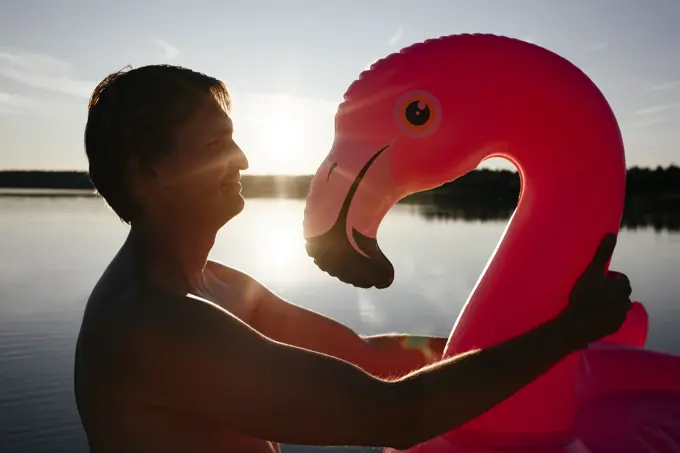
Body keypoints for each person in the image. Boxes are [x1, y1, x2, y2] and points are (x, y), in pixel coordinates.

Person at [74, 64, 633, 453]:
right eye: (217, 145)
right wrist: (566, 332)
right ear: (148, 169)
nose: (242, 157)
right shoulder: (153, 326)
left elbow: (364, 354)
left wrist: (479, 345)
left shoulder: (216, 284)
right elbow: (395, 415)